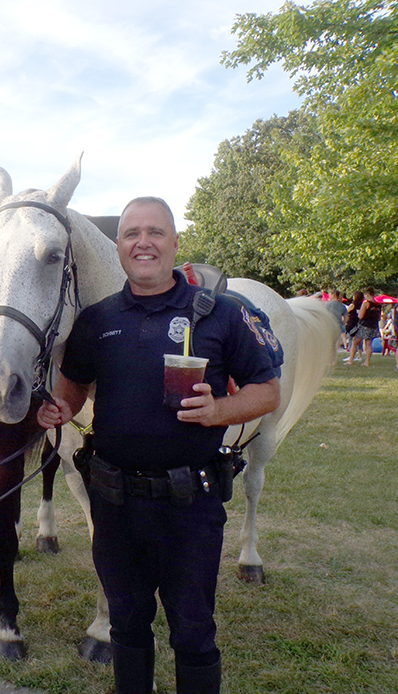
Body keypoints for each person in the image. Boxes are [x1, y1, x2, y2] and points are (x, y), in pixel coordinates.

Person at [37, 197, 280, 694]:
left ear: (173, 242)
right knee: (127, 629)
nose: (142, 242)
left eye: (154, 232)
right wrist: (59, 407)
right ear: (120, 246)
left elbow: (267, 389)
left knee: (193, 633)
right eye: (131, 233)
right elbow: (74, 385)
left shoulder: (220, 315)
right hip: (115, 504)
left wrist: (220, 411)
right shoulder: (96, 320)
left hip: (190, 505)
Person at [346, 287, 381, 367]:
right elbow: (379, 317)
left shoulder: (366, 303)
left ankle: (351, 360)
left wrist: (358, 313)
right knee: (369, 344)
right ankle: (367, 362)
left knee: (355, 342)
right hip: (373, 326)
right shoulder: (378, 305)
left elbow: (360, 316)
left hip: (364, 326)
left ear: (367, 295)